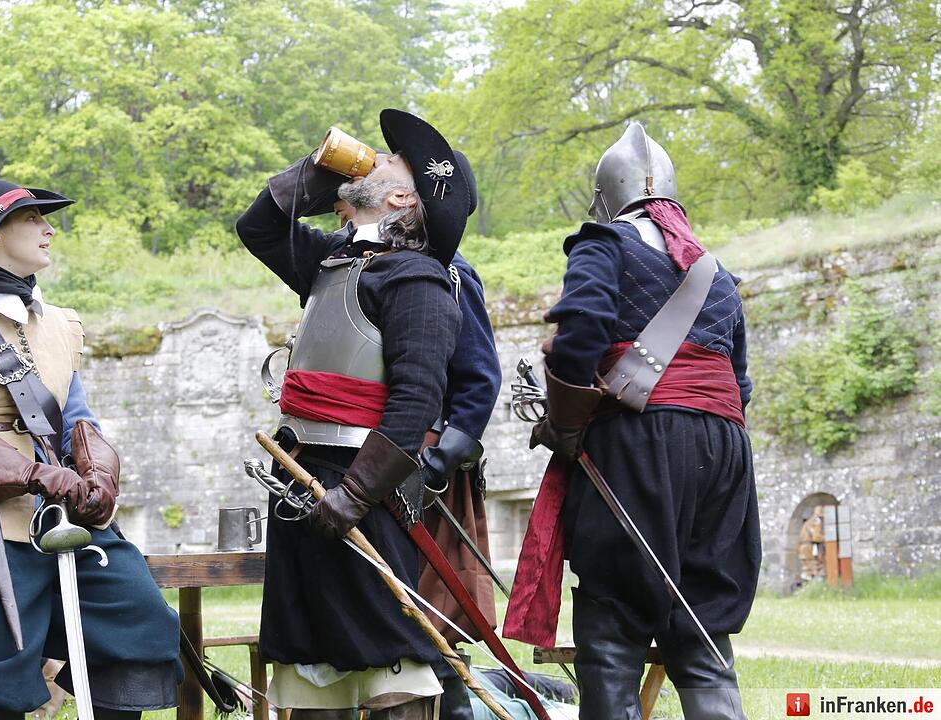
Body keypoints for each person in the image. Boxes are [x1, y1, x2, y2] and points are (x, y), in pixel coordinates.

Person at [0, 180, 182, 720]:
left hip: (56, 512)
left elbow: (75, 420)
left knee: (138, 622)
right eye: (33, 219)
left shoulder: (57, 323)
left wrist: (96, 474)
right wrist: (36, 475)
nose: (48, 230)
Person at [516, 123, 761, 719]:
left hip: (640, 441)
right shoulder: (717, 272)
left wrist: (567, 425)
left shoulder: (603, 243)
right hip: (724, 451)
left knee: (614, 616)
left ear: (606, 197)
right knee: (702, 619)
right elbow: (739, 383)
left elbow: (579, 334)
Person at [236, 109, 471, 720]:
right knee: (312, 659)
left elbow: (416, 402)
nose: (377, 157)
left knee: (391, 652)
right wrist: (319, 172)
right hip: (299, 478)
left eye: (393, 161)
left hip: (365, 487)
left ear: (401, 197)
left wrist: (356, 494)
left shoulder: (418, 281)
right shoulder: (333, 263)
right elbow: (258, 226)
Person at [338, 154, 502, 720]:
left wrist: (437, 463)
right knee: (376, 604)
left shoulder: (450, 272)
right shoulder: (361, 263)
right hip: (364, 456)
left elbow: (478, 377)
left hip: (425, 467)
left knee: (427, 609)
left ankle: (451, 710)